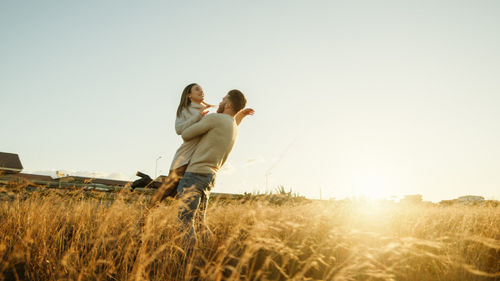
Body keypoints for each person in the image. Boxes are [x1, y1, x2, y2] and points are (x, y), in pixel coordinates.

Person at [151, 84, 253, 203]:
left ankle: (151, 192)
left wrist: (240, 115)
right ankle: (144, 216)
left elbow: (223, 125)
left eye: (201, 89)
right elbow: (180, 131)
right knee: (166, 192)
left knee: (178, 194)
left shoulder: (207, 112)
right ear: (189, 95)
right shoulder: (185, 110)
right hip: (185, 156)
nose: (201, 91)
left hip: (197, 158)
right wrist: (197, 117)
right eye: (197, 89)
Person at [176, 89, 247, 250]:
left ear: (228, 104)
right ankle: (211, 254)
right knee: (200, 222)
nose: (220, 102)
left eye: (223, 99)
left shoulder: (215, 119)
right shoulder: (234, 127)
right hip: (210, 177)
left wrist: (198, 117)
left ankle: (190, 264)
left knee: (186, 223)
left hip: (195, 174)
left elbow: (186, 134)